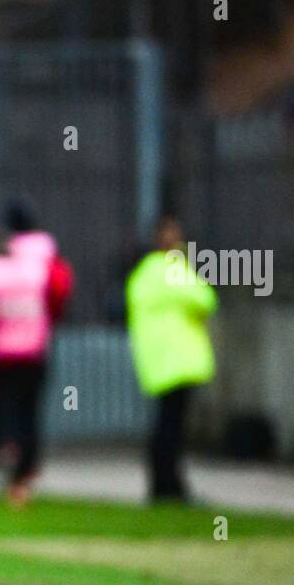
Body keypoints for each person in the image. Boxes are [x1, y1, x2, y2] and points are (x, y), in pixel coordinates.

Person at [0, 202, 73, 506]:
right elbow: (60, 292)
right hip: (33, 349)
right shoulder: (46, 262)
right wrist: (50, 320)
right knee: (28, 413)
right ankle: (22, 478)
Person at [125, 215, 217, 503]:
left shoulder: (142, 275)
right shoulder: (174, 271)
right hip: (179, 360)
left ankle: (161, 485)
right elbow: (205, 300)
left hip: (156, 360)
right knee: (172, 428)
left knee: (164, 426)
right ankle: (171, 487)